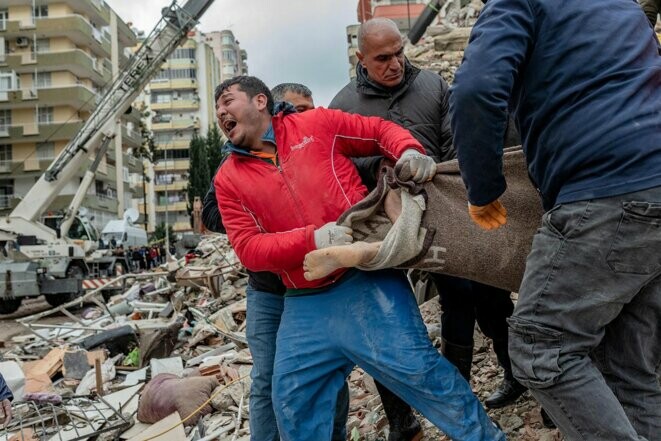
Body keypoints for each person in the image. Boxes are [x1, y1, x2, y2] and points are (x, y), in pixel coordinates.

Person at [214, 75, 504, 441]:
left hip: (364, 282)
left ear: (259, 101)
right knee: (292, 401)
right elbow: (248, 249)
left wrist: (409, 150)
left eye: (227, 100)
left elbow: (379, 131)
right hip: (305, 305)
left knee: (422, 373)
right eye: (217, 108)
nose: (221, 111)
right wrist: (313, 238)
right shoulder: (228, 178)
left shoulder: (316, 124)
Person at [449, 0, 661, 439]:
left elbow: (476, 88)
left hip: (605, 193)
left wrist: (483, 190)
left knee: (539, 346)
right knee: (629, 369)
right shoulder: (619, 5)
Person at [330, 17, 525, 418]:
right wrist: (386, 171)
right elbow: (345, 169)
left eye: (399, 53)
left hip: (448, 212)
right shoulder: (344, 106)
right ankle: (438, 405)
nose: (395, 64)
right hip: (389, 224)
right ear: (360, 58)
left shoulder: (432, 85)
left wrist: (436, 174)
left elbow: (455, 146)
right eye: (382, 58)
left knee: (483, 295)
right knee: (419, 307)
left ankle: (511, 375)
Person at [202, 83, 350, 441]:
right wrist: (267, 223)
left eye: (308, 109)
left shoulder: (314, 141)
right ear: (269, 106)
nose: (302, 117)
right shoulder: (240, 160)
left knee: (329, 373)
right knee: (267, 378)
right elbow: (210, 212)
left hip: (325, 286)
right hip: (270, 291)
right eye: (296, 109)